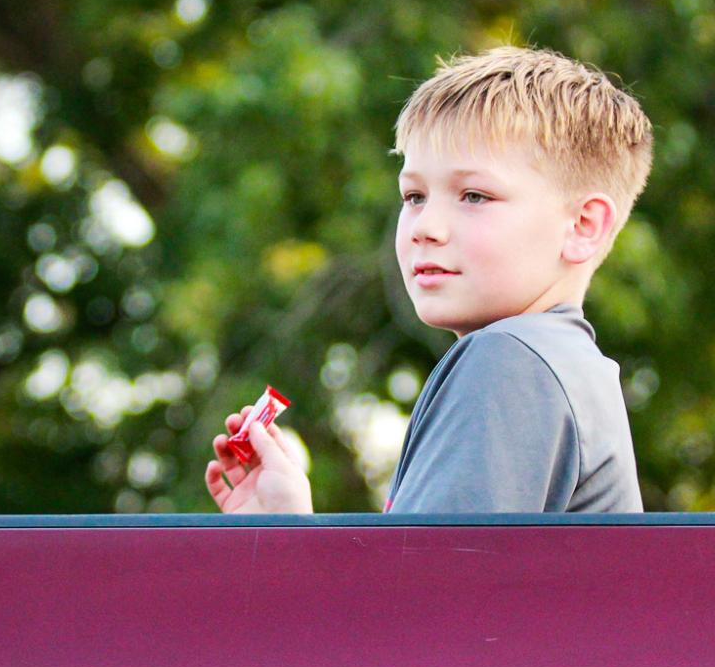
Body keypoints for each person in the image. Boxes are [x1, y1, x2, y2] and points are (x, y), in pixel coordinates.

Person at [207, 46, 651, 515]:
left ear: (583, 226)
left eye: (475, 196)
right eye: (414, 196)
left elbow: (421, 587)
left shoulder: (507, 361)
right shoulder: (570, 368)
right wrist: (289, 533)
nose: (425, 227)